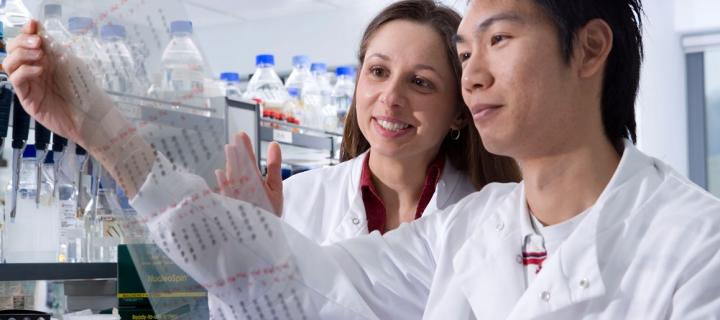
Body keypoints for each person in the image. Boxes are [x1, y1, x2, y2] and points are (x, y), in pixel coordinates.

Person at [6, 0, 720, 318]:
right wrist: (96, 126)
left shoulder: (695, 249)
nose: (473, 77)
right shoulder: (472, 228)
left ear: (591, 50)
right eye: (466, 54)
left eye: (498, 42)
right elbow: (307, 282)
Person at [215, 0, 519, 245]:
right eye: (378, 71)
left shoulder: (491, 216)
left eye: (419, 81)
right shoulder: (297, 200)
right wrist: (249, 244)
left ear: (459, 112)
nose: (391, 97)